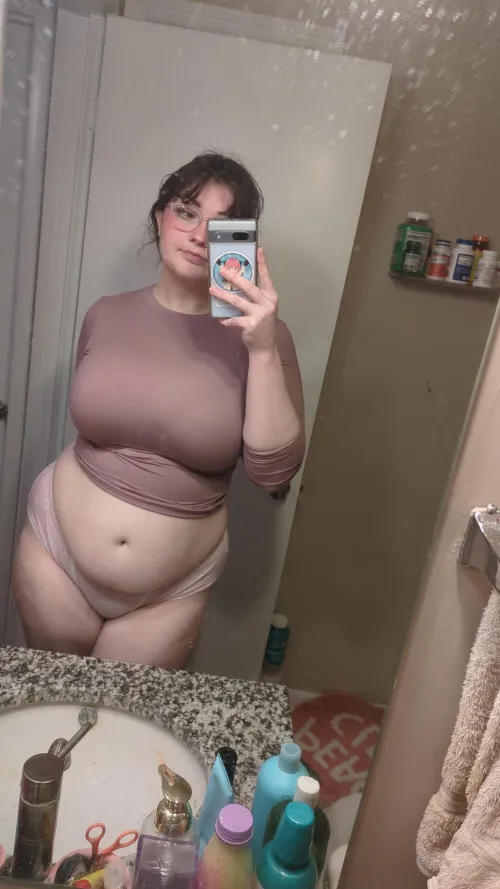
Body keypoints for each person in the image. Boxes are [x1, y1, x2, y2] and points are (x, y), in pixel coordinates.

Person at [12, 152, 305, 669]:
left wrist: (261, 350)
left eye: (221, 225)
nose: (199, 235)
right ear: (159, 218)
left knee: (121, 713)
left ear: (240, 243)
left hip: (170, 590)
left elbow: (272, 473)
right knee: (52, 698)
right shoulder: (105, 314)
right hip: (54, 550)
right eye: (187, 212)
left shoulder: (265, 336)